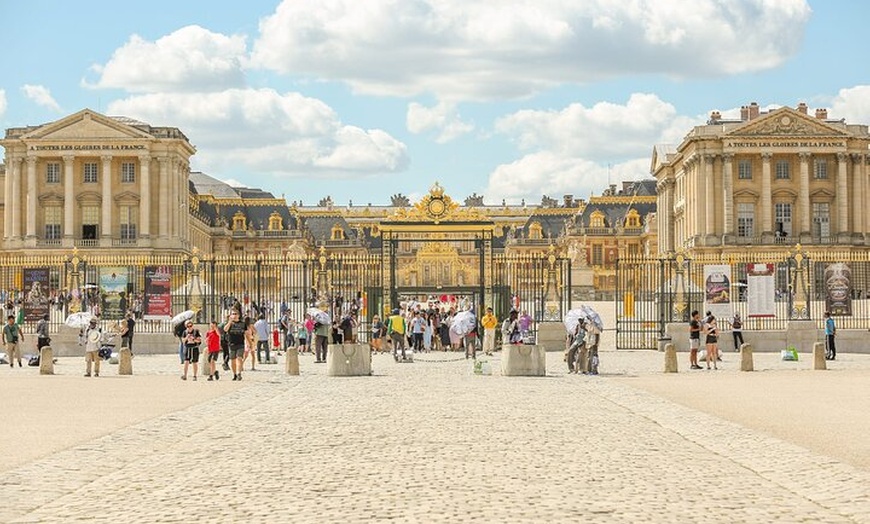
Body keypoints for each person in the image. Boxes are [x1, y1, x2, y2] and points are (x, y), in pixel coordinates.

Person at [224, 310, 246, 381]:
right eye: (233, 314)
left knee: (239, 358)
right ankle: (234, 374)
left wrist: (250, 342)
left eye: (235, 314)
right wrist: (230, 321)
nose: (234, 315)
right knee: (233, 360)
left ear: (238, 315)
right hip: (232, 344)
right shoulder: (230, 323)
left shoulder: (243, 324)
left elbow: (246, 333)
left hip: (240, 344)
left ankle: (239, 373)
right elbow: (225, 329)